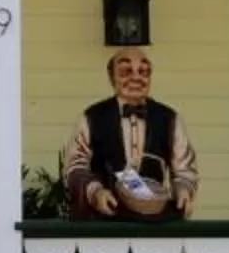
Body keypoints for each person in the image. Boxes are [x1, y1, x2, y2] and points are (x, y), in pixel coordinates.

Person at [61, 47, 199, 220]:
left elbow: (185, 169)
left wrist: (183, 189)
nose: (136, 77)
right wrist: (95, 192)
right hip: (104, 222)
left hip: (154, 221)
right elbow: (75, 166)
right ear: (112, 77)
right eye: (126, 71)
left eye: (143, 71)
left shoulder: (170, 119)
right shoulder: (90, 117)